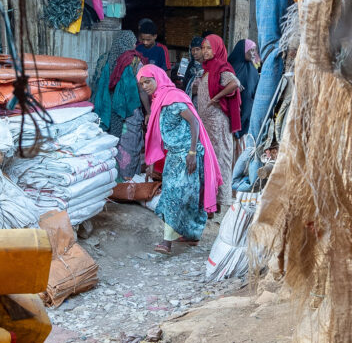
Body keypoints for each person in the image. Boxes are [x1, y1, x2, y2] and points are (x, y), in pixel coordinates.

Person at [137, 64, 222, 254]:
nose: (145, 87)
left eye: (148, 82)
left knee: (175, 195)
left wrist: (192, 153)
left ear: (158, 78)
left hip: (187, 155)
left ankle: (166, 242)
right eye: (142, 84)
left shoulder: (173, 99)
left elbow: (194, 122)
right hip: (174, 156)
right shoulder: (159, 99)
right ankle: (192, 235)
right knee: (187, 196)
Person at [92, 30, 148, 179]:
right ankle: (127, 182)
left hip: (106, 111)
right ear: (130, 44)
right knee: (129, 147)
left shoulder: (103, 59)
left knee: (109, 145)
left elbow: (96, 84)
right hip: (128, 113)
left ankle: (109, 180)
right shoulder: (135, 61)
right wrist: (149, 110)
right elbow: (142, 89)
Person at [196, 34, 242, 210]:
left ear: (217, 49)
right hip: (207, 121)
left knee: (219, 158)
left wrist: (217, 96)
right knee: (208, 159)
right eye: (204, 48)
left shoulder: (222, 67)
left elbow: (234, 83)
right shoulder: (207, 67)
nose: (206, 52)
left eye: (209, 48)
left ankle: (220, 200)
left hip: (217, 123)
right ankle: (210, 200)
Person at [229, 38, 261, 154]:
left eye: (254, 50)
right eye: (250, 50)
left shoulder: (252, 69)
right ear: (242, 51)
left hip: (247, 115)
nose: (253, 53)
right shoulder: (231, 68)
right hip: (232, 114)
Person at [183, 36, 205, 103]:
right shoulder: (189, 66)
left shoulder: (209, 66)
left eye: (197, 49)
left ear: (203, 50)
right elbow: (184, 84)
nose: (194, 52)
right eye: (192, 50)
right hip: (192, 101)